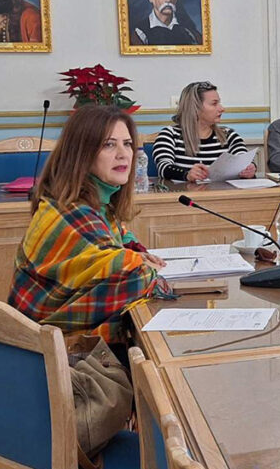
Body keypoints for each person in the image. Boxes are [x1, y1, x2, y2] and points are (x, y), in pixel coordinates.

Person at [9, 105, 171, 346]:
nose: (123, 154)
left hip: (57, 347)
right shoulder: (69, 213)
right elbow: (135, 277)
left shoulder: (96, 205)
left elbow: (123, 243)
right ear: (81, 154)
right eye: (109, 145)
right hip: (47, 353)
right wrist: (140, 262)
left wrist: (136, 255)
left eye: (127, 144)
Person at [153, 81, 256, 182]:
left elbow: (244, 159)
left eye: (219, 103)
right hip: (185, 193)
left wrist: (250, 168)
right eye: (214, 104)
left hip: (223, 192)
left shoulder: (229, 135)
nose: (222, 109)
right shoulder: (170, 135)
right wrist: (187, 174)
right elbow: (163, 167)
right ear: (195, 108)